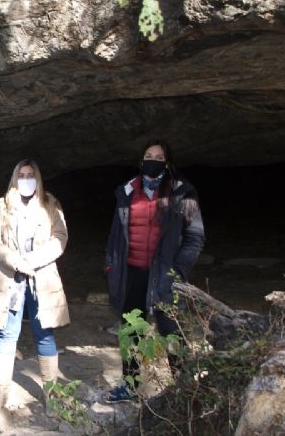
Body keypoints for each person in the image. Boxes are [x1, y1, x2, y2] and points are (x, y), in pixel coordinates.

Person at [104, 140, 205, 402]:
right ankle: (130, 384)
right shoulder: (127, 191)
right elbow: (116, 234)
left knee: (170, 330)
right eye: (148, 156)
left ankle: (184, 388)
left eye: (159, 157)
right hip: (133, 272)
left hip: (164, 274)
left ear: (168, 163)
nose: (153, 160)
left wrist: (178, 271)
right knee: (130, 330)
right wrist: (111, 265)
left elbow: (195, 237)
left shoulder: (183, 192)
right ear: (141, 160)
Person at [0, 159, 70, 414]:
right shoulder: (2, 205)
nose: (26, 179)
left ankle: (51, 395)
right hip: (11, 277)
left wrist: (33, 260)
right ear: (14, 178)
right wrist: (13, 260)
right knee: (7, 336)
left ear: (38, 177)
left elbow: (60, 237)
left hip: (41, 277)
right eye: (21, 175)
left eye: (31, 174)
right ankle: (0, 394)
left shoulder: (50, 204)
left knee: (44, 335)